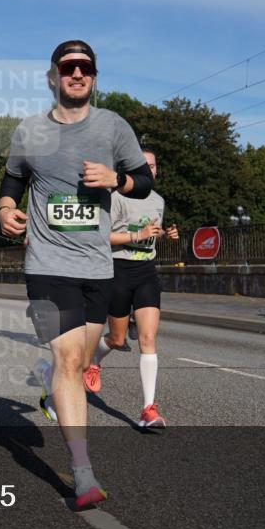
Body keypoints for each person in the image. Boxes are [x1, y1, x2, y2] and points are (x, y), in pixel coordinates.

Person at [0, 40, 153, 508]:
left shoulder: (113, 126)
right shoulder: (30, 130)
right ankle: (83, 473)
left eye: (86, 67)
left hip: (97, 266)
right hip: (47, 265)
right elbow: (13, 177)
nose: (78, 74)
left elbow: (144, 180)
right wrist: (5, 207)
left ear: (94, 77)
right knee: (68, 360)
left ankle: (51, 383)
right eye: (69, 67)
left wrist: (117, 180)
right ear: (53, 77)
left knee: (80, 363)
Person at [88, 148, 176, 428]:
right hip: (118, 271)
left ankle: (148, 409)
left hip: (146, 272)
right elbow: (101, 236)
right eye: (144, 165)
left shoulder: (158, 200)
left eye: (153, 165)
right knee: (117, 338)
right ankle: (93, 362)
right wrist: (137, 234)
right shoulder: (115, 197)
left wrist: (166, 234)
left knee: (148, 338)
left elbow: (153, 232)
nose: (149, 170)